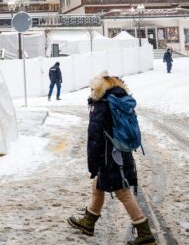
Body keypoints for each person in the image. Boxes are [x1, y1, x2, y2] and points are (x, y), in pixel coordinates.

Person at [67, 72, 156, 245]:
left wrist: (93, 165)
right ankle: (89, 222)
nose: (91, 91)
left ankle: (145, 233)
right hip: (120, 154)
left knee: (123, 193)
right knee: (98, 186)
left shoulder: (102, 105)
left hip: (109, 157)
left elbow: (94, 138)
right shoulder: (119, 100)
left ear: (99, 88)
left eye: (93, 88)